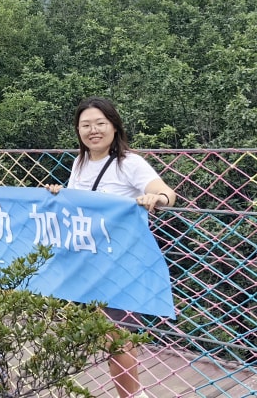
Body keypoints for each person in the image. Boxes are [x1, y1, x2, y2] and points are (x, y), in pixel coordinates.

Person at [44, 97, 177, 398]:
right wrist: (58, 193)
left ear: (114, 127)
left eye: (100, 123)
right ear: (78, 130)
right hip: (90, 264)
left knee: (117, 340)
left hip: (122, 266)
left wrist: (158, 199)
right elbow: (77, 205)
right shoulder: (79, 163)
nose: (93, 130)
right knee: (108, 339)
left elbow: (164, 190)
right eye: (86, 125)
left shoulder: (128, 162)